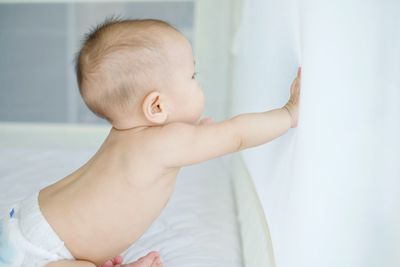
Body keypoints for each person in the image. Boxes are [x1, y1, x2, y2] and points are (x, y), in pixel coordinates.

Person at [0, 18, 301, 267]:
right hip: (45, 255)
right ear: (156, 107)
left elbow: (192, 144)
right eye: (192, 75)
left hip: (28, 218)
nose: (198, 82)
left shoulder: (127, 135)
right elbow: (237, 135)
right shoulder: (165, 143)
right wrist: (288, 113)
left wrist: (199, 133)